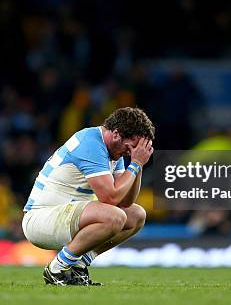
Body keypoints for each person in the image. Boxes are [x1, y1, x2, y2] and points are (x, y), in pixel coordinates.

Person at [22, 107, 155, 286]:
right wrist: (136, 162)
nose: (131, 152)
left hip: (63, 216)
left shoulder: (114, 149)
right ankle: (57, 268)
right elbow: (110, 198)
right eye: (131, 147)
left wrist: (137, 165)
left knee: (136, 215)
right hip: (40, 219)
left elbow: (125, 201)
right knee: (114, 216)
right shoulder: (90, 143)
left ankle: (78, 264)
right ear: (116, 134)